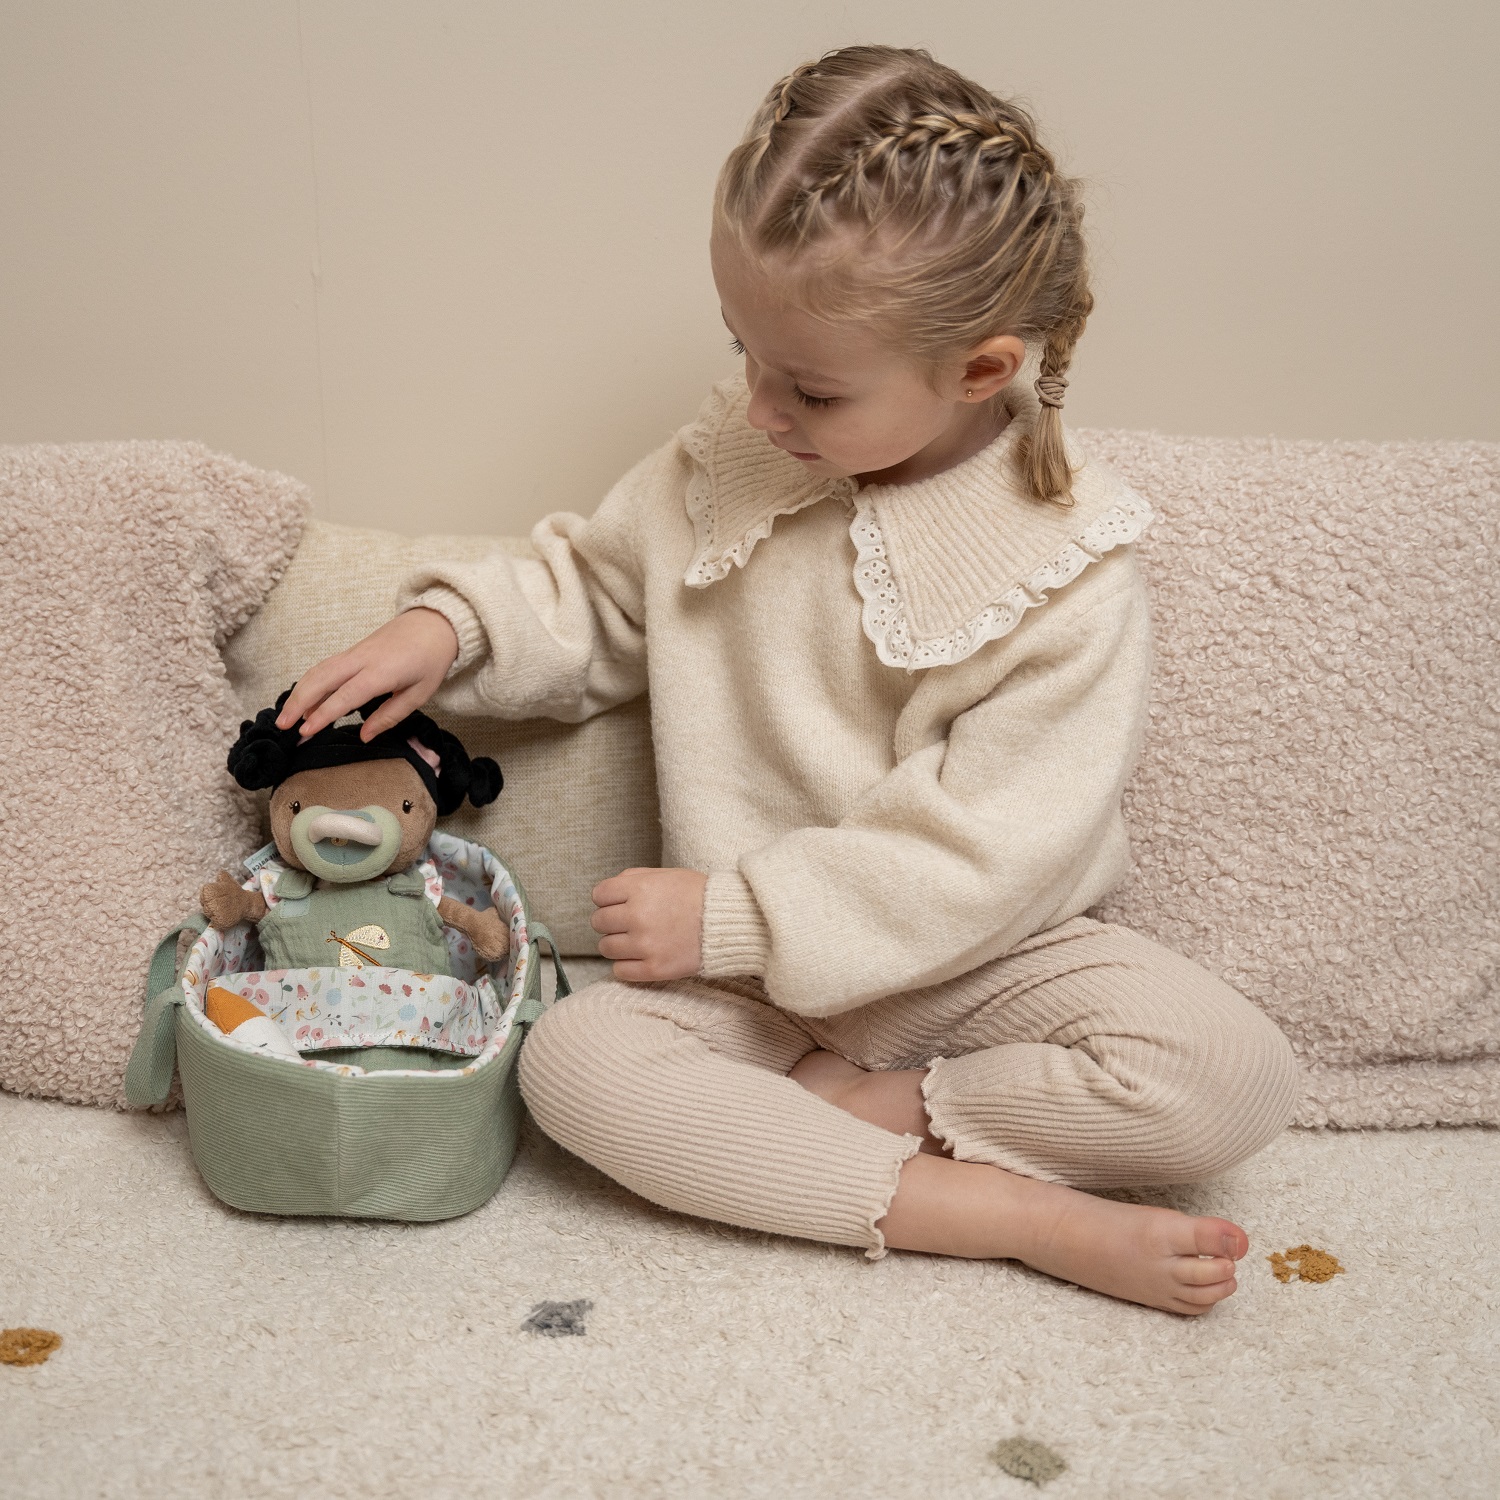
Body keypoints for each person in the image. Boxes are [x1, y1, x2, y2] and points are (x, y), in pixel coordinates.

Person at [278, 44, 1300, 1315]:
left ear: (982, 370)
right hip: (748, 996)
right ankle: (1000, 1213)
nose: (759, 406)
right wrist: (452, 629)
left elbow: (992, 847)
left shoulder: (1068, 565)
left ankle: (894, 1120)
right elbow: (601, 590)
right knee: (573, 1065)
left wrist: (737, 914)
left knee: (1231, 1074)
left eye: (810, 388)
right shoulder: (736, 455)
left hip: (983, 967)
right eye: (743, 351)